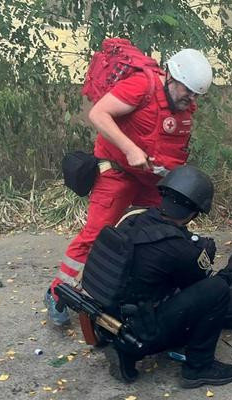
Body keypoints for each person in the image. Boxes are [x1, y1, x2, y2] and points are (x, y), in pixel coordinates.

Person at [45, 48, 214, 326]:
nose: (191, 99)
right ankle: (57, 293)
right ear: (171, 77)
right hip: (117, 173)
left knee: (159, 236)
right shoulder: (141, 85)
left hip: (152, 181)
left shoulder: (181, 104)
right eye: (188, 91)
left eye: (197, 95)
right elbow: (99, 114)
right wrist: (130, 149)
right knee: (96, 234)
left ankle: (139, 290)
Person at [84, 165, 232, 387]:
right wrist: (230, 270)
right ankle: (199, 367)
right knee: (217, 291)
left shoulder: (133, 216)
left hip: (111, 315)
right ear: (194, 213)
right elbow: (201, 284)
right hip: (141, 331)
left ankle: (123, 345)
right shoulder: (177, 248)